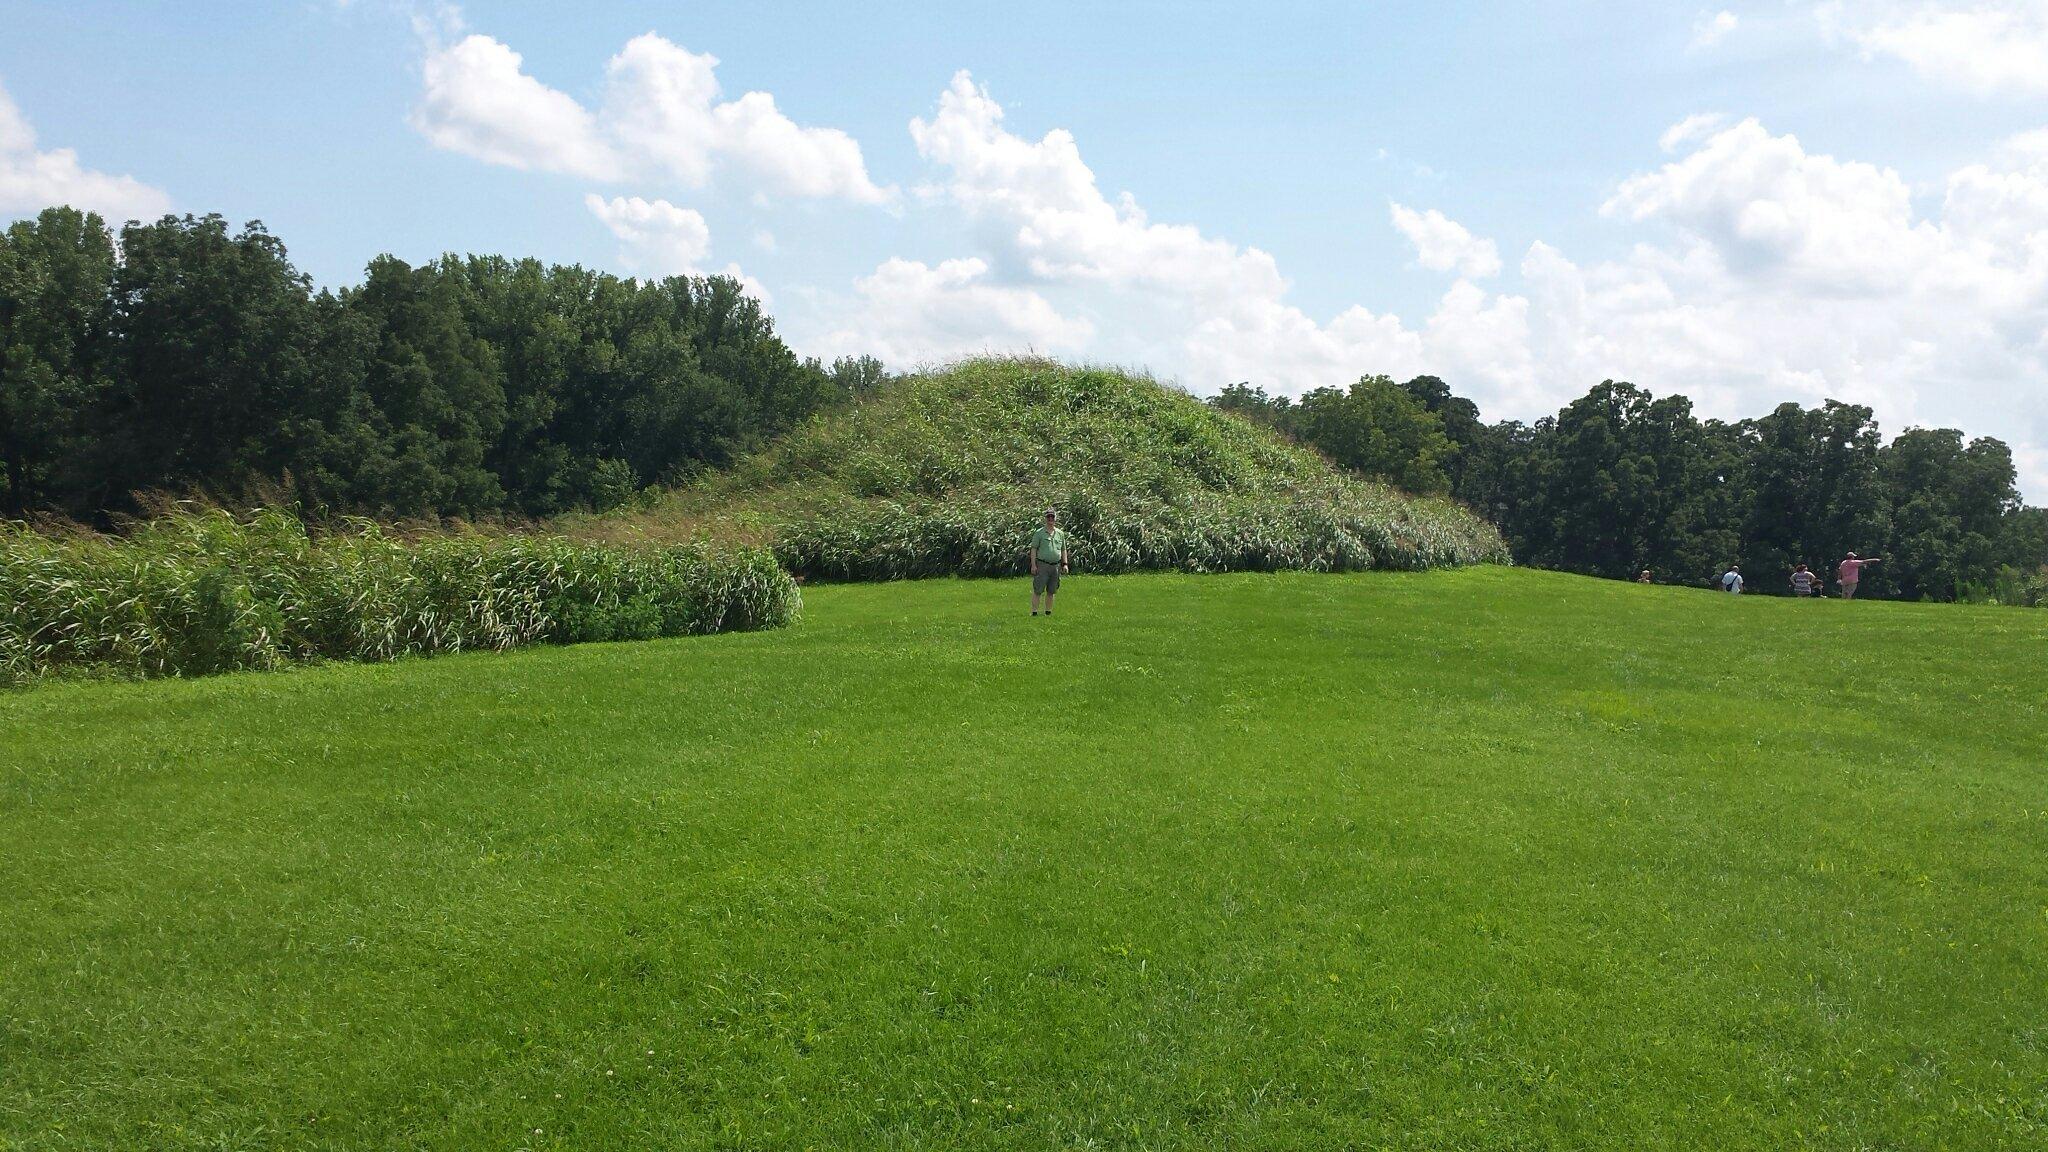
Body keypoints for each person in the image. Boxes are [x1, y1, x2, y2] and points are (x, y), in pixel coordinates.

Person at [1028, 508, 1069, 616]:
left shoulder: (1060, 533)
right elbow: (1033, 549)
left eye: (1052, 517)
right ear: (1045, 519)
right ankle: (1034, 612)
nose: (1050, 519)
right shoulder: (1039, 533)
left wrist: (1065, 564)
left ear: (1055, 518)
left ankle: (1048, 612)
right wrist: (1033, 565)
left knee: (1052, 590)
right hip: (1042, 565)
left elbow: (1063, 549)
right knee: (1038, 589)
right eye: (1048, 517)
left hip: (1055, 566)